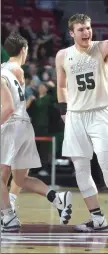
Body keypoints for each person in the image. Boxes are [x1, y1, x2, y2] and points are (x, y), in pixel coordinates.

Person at [56, 13, 108, 232]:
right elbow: (61, 85)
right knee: (81, 169)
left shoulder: (102, 47)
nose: (86, 32)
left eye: (88, 28)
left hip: (100, 113)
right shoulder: (63, 55)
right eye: (81, 29)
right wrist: (64, 110)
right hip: (75, 116)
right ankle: (97, 219)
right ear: (71, 33)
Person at [0, 33, 72, 232]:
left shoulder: (4, 71)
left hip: (11, 125)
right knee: (20, 179)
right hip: (24, 126)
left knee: (2, 175)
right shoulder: (17, 72)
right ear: (24, 50)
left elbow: (6, 108)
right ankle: (58, 198)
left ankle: (8, 217)